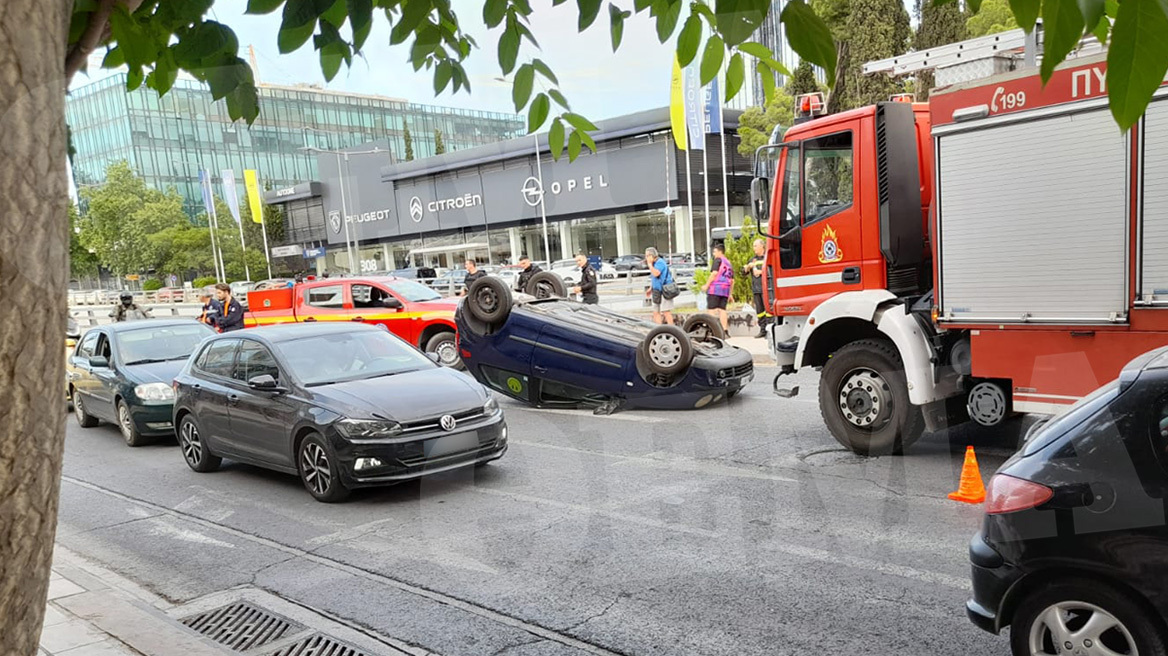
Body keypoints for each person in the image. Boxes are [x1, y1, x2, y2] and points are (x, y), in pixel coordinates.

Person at [702, 243, 733, 333]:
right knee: (722, 310)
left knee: (711, 310)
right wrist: (730, 294)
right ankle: (725, 330)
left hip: (715, 289)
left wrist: (706, 285)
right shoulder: (728, 263)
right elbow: (732, 280)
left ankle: (712, 330)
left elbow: (714, 274)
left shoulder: (717, 260)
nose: (713, 254)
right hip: (725, 289)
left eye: (715, 252)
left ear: (720, 252)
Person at [745, 239, 772, 338]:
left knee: (768, 311)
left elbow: (772, 271)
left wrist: (761, 272)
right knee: (760, 311)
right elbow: (744, 273)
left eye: (755, 246)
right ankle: (762, 330)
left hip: (766, 289)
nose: (754, 248)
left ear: (762, 246)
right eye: (753, 246)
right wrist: (747, 267)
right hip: (756, 289)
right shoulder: (752, 260)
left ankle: (769, 331)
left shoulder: (767, 258)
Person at [644, 247, 674, 325]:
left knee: (666, 311)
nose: (646, 258)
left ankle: (672, 328)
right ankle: (659, 328)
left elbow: (656, 273)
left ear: (652, 255)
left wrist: (650, 265)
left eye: (647, 256)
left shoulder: (660, 262)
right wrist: (651, 288)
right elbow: (655, 278)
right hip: (657, 290)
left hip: (665, 289)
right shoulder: (654, 264)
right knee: (656, 311)